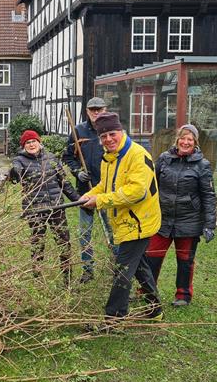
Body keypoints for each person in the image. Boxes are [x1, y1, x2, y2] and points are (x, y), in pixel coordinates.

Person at [80, 112, 164, 322]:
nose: (108, 139)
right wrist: (90, 195)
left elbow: (137, 191)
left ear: (121, 131)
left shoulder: (137, 155)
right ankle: (155, 309)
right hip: (124, 221)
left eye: (112, 134)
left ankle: (114, 318)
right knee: (139, 266)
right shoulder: (109, 158)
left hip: (139, 222)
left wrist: (100, 201)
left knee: (122, 269)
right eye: (103, 136)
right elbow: (106, 185)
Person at [145, 124, 216, 307]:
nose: (185, 142)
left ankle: (183, 295)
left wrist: (209, 225)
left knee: (185, 260)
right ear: (177, 140)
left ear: (195, 142)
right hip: (163, 219)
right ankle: (146, 290)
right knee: (152, 256)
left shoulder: (203, 165)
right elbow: (152, 185)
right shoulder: (164, 159)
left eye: (189, 139)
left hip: (189, 221)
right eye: (182, 138)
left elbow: (208, 196)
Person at [10, 130, 80, 284]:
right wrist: (14, 172)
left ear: (39, 142)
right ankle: (38, 278)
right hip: (36, 210)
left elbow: (64, 183)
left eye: (33, 141)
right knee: (38, 244)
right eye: (28, 143)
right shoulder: (19, 160)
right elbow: (15, 175)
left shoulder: (51, 158)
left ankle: (67, 278)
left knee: (64, 242)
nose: (31, 145)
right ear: (23, 146)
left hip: (56, 208)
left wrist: (79, 200)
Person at [63, 97, 116, 284]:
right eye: (92, 109)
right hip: (85, 191)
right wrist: (77, 172)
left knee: (112, 231)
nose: (96, 112)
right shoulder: (78, 131)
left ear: (105, 109)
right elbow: (68, 157)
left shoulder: (110, 131)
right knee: (85, 233)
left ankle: (117, 267)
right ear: (87, 111)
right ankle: (87, 270)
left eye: (99, 109)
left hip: (107, 191)